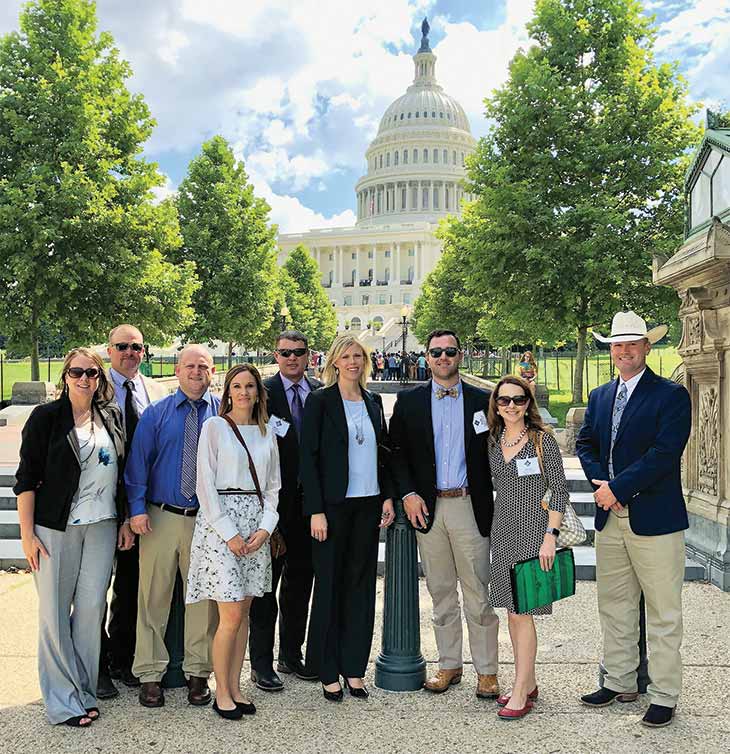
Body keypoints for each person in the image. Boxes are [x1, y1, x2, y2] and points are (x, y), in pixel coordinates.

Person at [576, 311, 691, 728]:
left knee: (663, 612)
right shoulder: (600, 394)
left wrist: (618, 488)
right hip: (611, 518)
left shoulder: (671, 395)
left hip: (654, 519)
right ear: (611, 350)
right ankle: (620, 680)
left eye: (631, 344)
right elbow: (586, 442)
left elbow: (664, 454)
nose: (623, 351)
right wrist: (600, 482)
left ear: (647, 347)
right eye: (616, 345)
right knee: (615, 606)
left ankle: (663, 695)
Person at [14, 348, 132, 727]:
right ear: (65, 377)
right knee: (54, 614)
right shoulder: (46, 417)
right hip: (55, 528)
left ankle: (83, 690)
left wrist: (125, 520)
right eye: (77, 372)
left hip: (102, 526)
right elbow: (26, 479)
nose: (85, 379)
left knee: (90, 612)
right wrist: (27, 534)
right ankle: (63, 701)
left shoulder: (109, 416)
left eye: (92, 373)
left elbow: (122, 472)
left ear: (100, 378)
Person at [389, 329, 500, 699]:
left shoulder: (484, 401)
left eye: (450, 351)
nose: (443, 357)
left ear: (460, 355)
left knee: (477, 592)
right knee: (440, 592)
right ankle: (449, 664)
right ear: (427, 357)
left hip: (470, 506)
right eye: (436, 352)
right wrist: (406, 492)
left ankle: (487, 671)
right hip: (429, 508)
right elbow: (396, 452)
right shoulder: (409, 402)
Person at [300, 334, 395, 701]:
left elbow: (383, 452)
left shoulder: (373, 402)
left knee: (359, 588)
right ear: (334, 362)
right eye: (346, 356)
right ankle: (327, 669)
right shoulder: (320, 401)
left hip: (367, 505)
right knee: (329, 587)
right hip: (332, 508)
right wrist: (316, 510)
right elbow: (308, 458)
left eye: (359, 356)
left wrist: (387, 496)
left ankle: (354, 668)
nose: (353, 361)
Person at [126, 345, 219, 709]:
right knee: (153, 597)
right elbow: (137, 465)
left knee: (202, 600)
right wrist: (136, 510)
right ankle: (150, 675)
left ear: (212, 372)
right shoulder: (156, 414)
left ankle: (199, 673)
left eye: (204, 367)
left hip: (207, 521)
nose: (197, 372)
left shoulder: (223, 416)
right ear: (178, 371)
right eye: (190, 366)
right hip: (160, 517)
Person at [186, 364, 281, 719]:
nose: (243, 392)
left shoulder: (266, 431)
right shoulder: (214, 427)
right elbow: (204, 486)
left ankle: (237, 686)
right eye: (237, 386)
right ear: (227, 391)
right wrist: (229, 533)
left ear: (258, 392)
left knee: (242, 615)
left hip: (256, 524)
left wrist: (266, 528)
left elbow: (273, 486)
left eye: (250, 386)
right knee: (228, 616)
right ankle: (221, 691)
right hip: (221, 526)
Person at [486, 375, 567, 720]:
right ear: (496, 405)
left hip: (534, 534)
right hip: (502, 534)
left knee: (524, 612)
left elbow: (560, 491)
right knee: (512, 612)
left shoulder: (541, 441)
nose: (511, 406)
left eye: (518, 400)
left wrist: (551, 536)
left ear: (528, 403)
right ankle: (528, 680)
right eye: (504, 400)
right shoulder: (493, 440)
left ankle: (520, 690)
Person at [97, 324, 169, 699]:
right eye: (122, 346)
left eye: (136, 347)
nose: (129, 352)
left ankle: (121, 659)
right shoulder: (94, 386)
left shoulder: (156, 392)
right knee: (94, 589)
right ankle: (97, 662)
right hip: (98, 505)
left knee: (131, 586)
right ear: (110, 349)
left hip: (140, 508)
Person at [249, 331, 322, 692]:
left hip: (310, 507)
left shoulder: (322, 392)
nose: (292, 358)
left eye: (299, 352)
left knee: (299, 585)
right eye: (285, 353)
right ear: (275, 356)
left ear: (309, 356)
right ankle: (260, 663)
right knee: (265, 587)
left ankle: (291, 654)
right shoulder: (261, 393)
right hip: (272, 506)